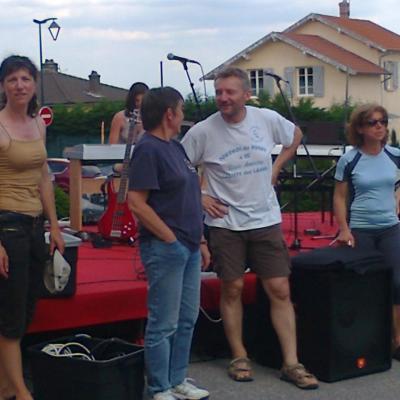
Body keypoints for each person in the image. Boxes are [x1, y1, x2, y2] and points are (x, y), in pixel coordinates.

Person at [181, 67, 318, 389]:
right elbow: (180, 167)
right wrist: (199, 195)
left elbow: (295, 135)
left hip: (265, 219)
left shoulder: (266, 119)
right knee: (233, 288)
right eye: (219, 93)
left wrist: (276, 167)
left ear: (246, 94)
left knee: (280, 289)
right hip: (225, 223)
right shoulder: (203, 131)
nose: (223, 98)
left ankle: (291, 363)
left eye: (229, 92)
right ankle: (239, 355)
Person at [127, 87, 210, 400]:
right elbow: (136, 202)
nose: (183, 115)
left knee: (186, 318)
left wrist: (200, 240)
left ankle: (177, 379)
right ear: (169, 114)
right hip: (167, 247)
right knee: (163, 321)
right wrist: (169, 238)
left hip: (188, 244)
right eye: (181, 109)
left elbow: (190, 196)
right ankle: (159, 386)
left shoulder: (176, 148)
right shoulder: (148, 148)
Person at [0, 55, 65, 400]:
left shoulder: (38, 125)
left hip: (34, 224)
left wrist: (55, 226)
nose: (19, 85)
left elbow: (44, 177)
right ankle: (22, 393)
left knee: (25, 310)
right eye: (12, 80)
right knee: (10, 315)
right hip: (6, 225)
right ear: (2, 87)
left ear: (34, 83)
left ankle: (5, 386)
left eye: (25, 78)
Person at [333, 103, 400, 360]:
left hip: (390, 228)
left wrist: (396, 199)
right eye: (373, 122)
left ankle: (396, 340)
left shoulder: (394, 154)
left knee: (396, 283)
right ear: (360, 128)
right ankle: (365, 338)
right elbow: (339, 197)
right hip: (361, 228)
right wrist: (344, 229)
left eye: (383, 121)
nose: (380, 126)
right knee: (365, 283)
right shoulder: (350, 159)